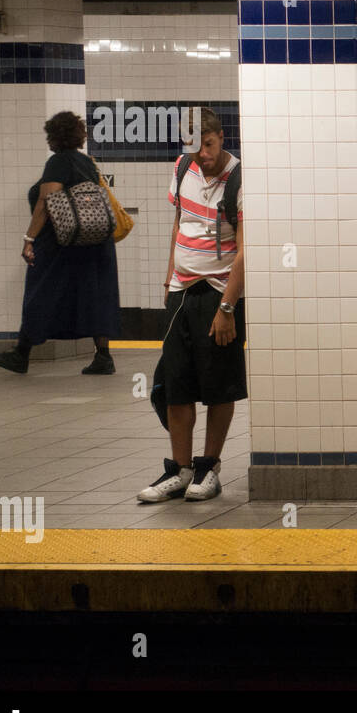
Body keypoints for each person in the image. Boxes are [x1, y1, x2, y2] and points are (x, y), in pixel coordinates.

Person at [137, 108, 246, 503]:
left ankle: (209, 467)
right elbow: (179, 224)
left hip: (218, 293)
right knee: (175, 384)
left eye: (209, 144)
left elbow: (245, 250)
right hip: (182, 293)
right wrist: (170, 278)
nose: (203, 153)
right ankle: (180, 469)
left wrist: (228, 307)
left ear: (221, 137)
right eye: (196, 146)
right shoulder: (183, 167)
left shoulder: (239, 178)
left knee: (219, 385)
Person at [0, 112, 120, 375]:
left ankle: (21, 354)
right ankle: (103, 357)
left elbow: (45, 202)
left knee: (39, 292)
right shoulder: (87, 162)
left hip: (61, 244)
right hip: (96, 244)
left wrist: (29, 239)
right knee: (94, 296)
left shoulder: (58, 162)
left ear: (55, 136)